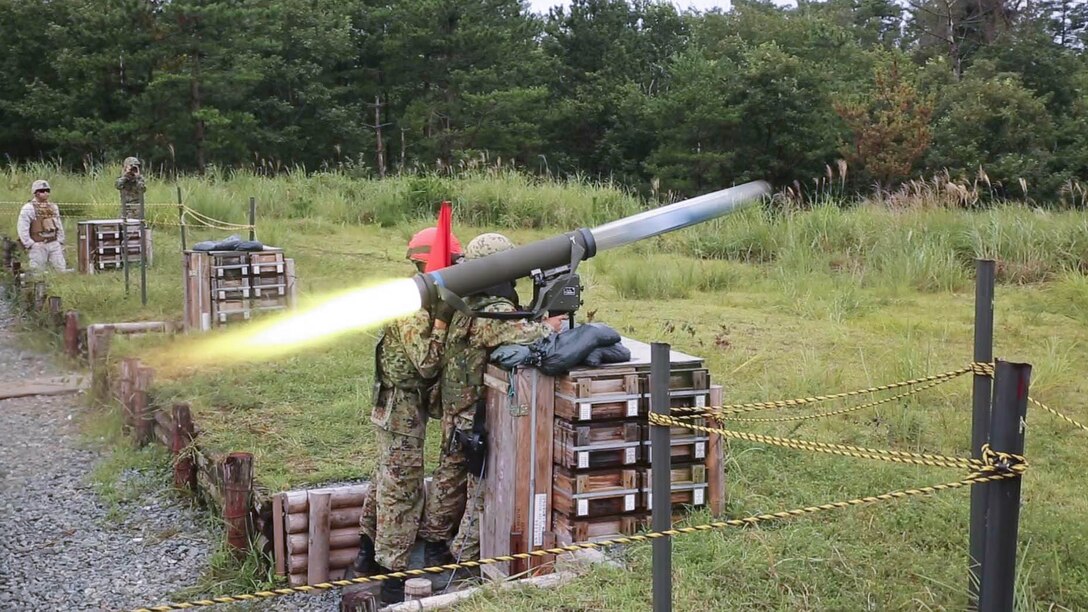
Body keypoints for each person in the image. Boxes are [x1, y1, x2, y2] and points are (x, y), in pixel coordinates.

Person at [419, 233, 563, 577]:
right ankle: (462, 556)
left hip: (456, 400)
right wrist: (548, 325)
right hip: (472, 408)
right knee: (477, 478)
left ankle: (434, 542)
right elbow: (523, 334)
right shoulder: (491, 310)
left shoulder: (463, 299)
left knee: (449, 473)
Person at [350, 227, 462, 605]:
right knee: (403, 488)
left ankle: (366, 555)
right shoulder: (412, 306)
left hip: (401, 404)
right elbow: (428, 363)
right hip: (401, 407)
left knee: (387, 478)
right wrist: (444, 320)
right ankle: (392, 578)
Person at [17, 180, 66, 273]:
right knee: (37, 272)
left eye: (47, 190)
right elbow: (22, 227)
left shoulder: (53, 207)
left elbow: (58, 224)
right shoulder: (28, 208)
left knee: (61, 270)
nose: (46, 193)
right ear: (36, 193)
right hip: (38, 244)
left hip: (53, 243)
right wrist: (30, 244)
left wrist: (60, 241)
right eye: (42, 191)